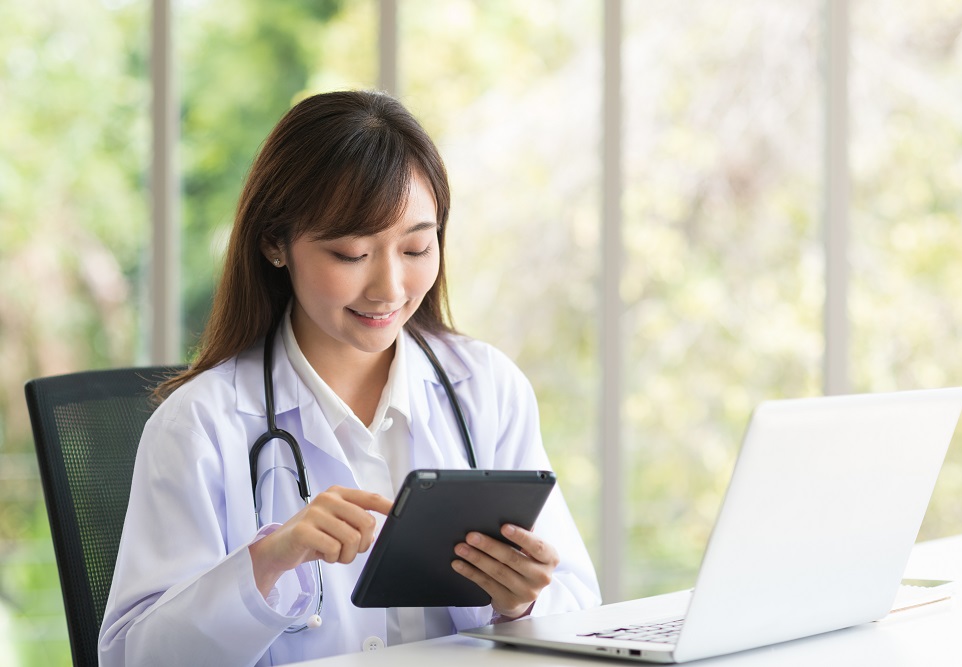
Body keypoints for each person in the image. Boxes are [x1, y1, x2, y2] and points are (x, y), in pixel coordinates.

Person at [98, 90, 601, 666]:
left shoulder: (486, 389)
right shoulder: (199, 425)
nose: (389, 289)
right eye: (351, 254)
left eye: (416, 246)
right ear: (274, 243)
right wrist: (269, 562)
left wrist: (522, 606)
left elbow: (582, 612)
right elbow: (132, 659)